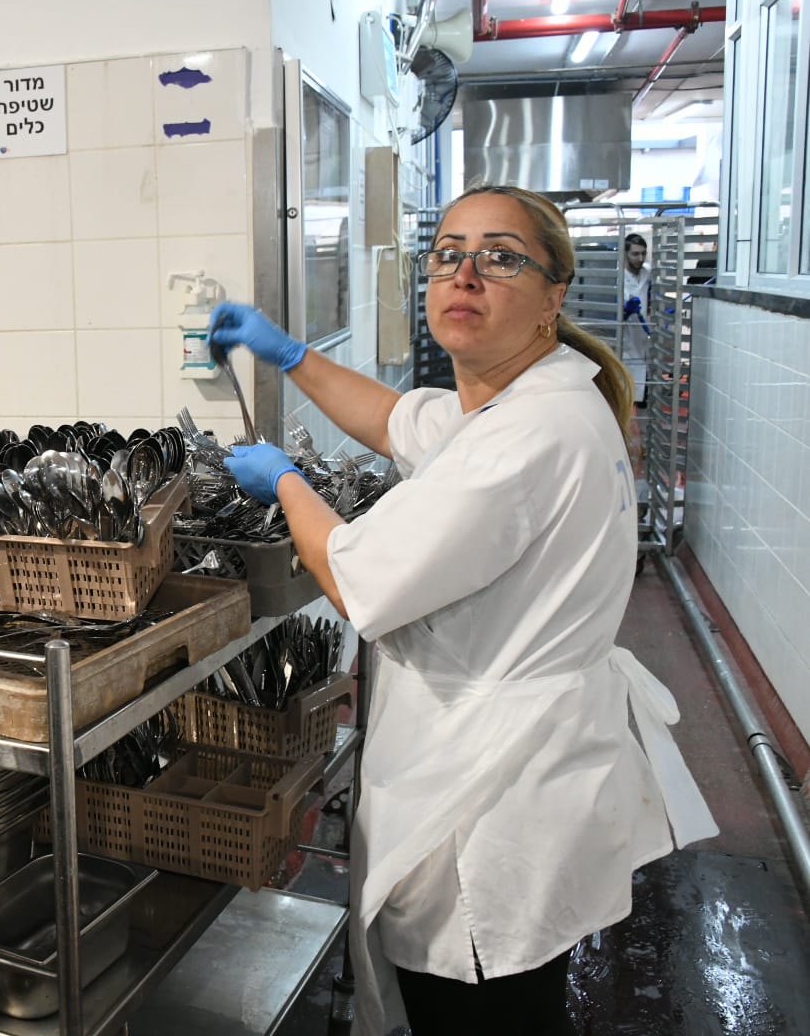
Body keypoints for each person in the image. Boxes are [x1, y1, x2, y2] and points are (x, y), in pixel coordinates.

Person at [209, 184, 716, 1036]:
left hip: (490, 790)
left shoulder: (530, 433)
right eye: (448, 254)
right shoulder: (525, 397)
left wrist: (285, 482)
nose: (465, 275)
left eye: (501, 258)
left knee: (482, 1009)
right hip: (522, 759)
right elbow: (395, 419)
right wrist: (290, 354)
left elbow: (356, 579)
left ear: (553, 295)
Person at [621, 232, 653, 405]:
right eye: (635, 254)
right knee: (622, 394)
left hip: (642, 338)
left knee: (639, 394)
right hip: (623, 339)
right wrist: (625, 311)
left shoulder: (648, 273)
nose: (640, 258)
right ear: (625, 253)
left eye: (643, 253)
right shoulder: (617, 276)